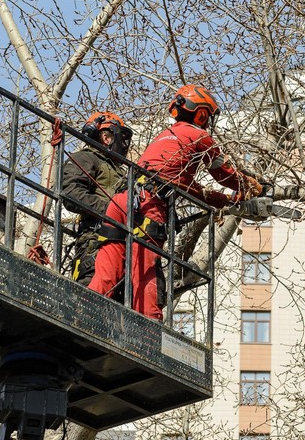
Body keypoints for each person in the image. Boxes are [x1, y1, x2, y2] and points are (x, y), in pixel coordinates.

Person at [88, 84, 262, 320]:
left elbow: (187, 187)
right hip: (148, 205)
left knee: (106, 274)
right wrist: (251, 186)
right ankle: (149, 330)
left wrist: (225, 200)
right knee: (144, 271)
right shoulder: (199, 136)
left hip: (120, 200)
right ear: (201, 113)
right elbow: (224, 173)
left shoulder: (162, 137)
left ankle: (84, 312)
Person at [61, 111, 132, 286]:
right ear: (106, 137)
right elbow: (71, 193)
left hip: (122, 243)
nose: (124, 144)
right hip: (96, 241)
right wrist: (112, 210)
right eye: (120, 137)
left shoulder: (122, 172)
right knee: (92, 295)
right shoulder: (86, 157)